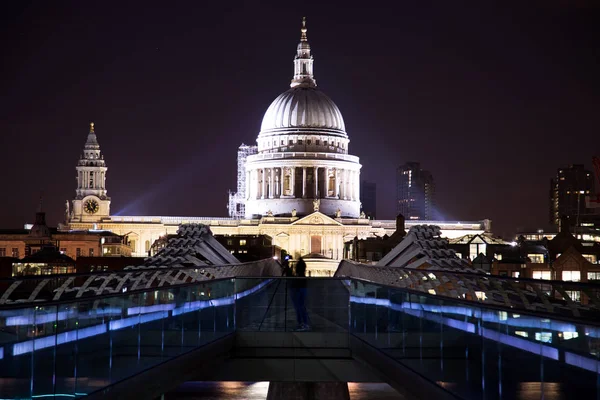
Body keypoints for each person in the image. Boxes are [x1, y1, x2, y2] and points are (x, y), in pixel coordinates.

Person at [291, 257, 309, 330]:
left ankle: (302, 323)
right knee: (301, 306)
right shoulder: (303, 276)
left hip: (298, 289)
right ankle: (304, 323)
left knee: (298, 307)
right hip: (303, 288)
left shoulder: (298, 276)